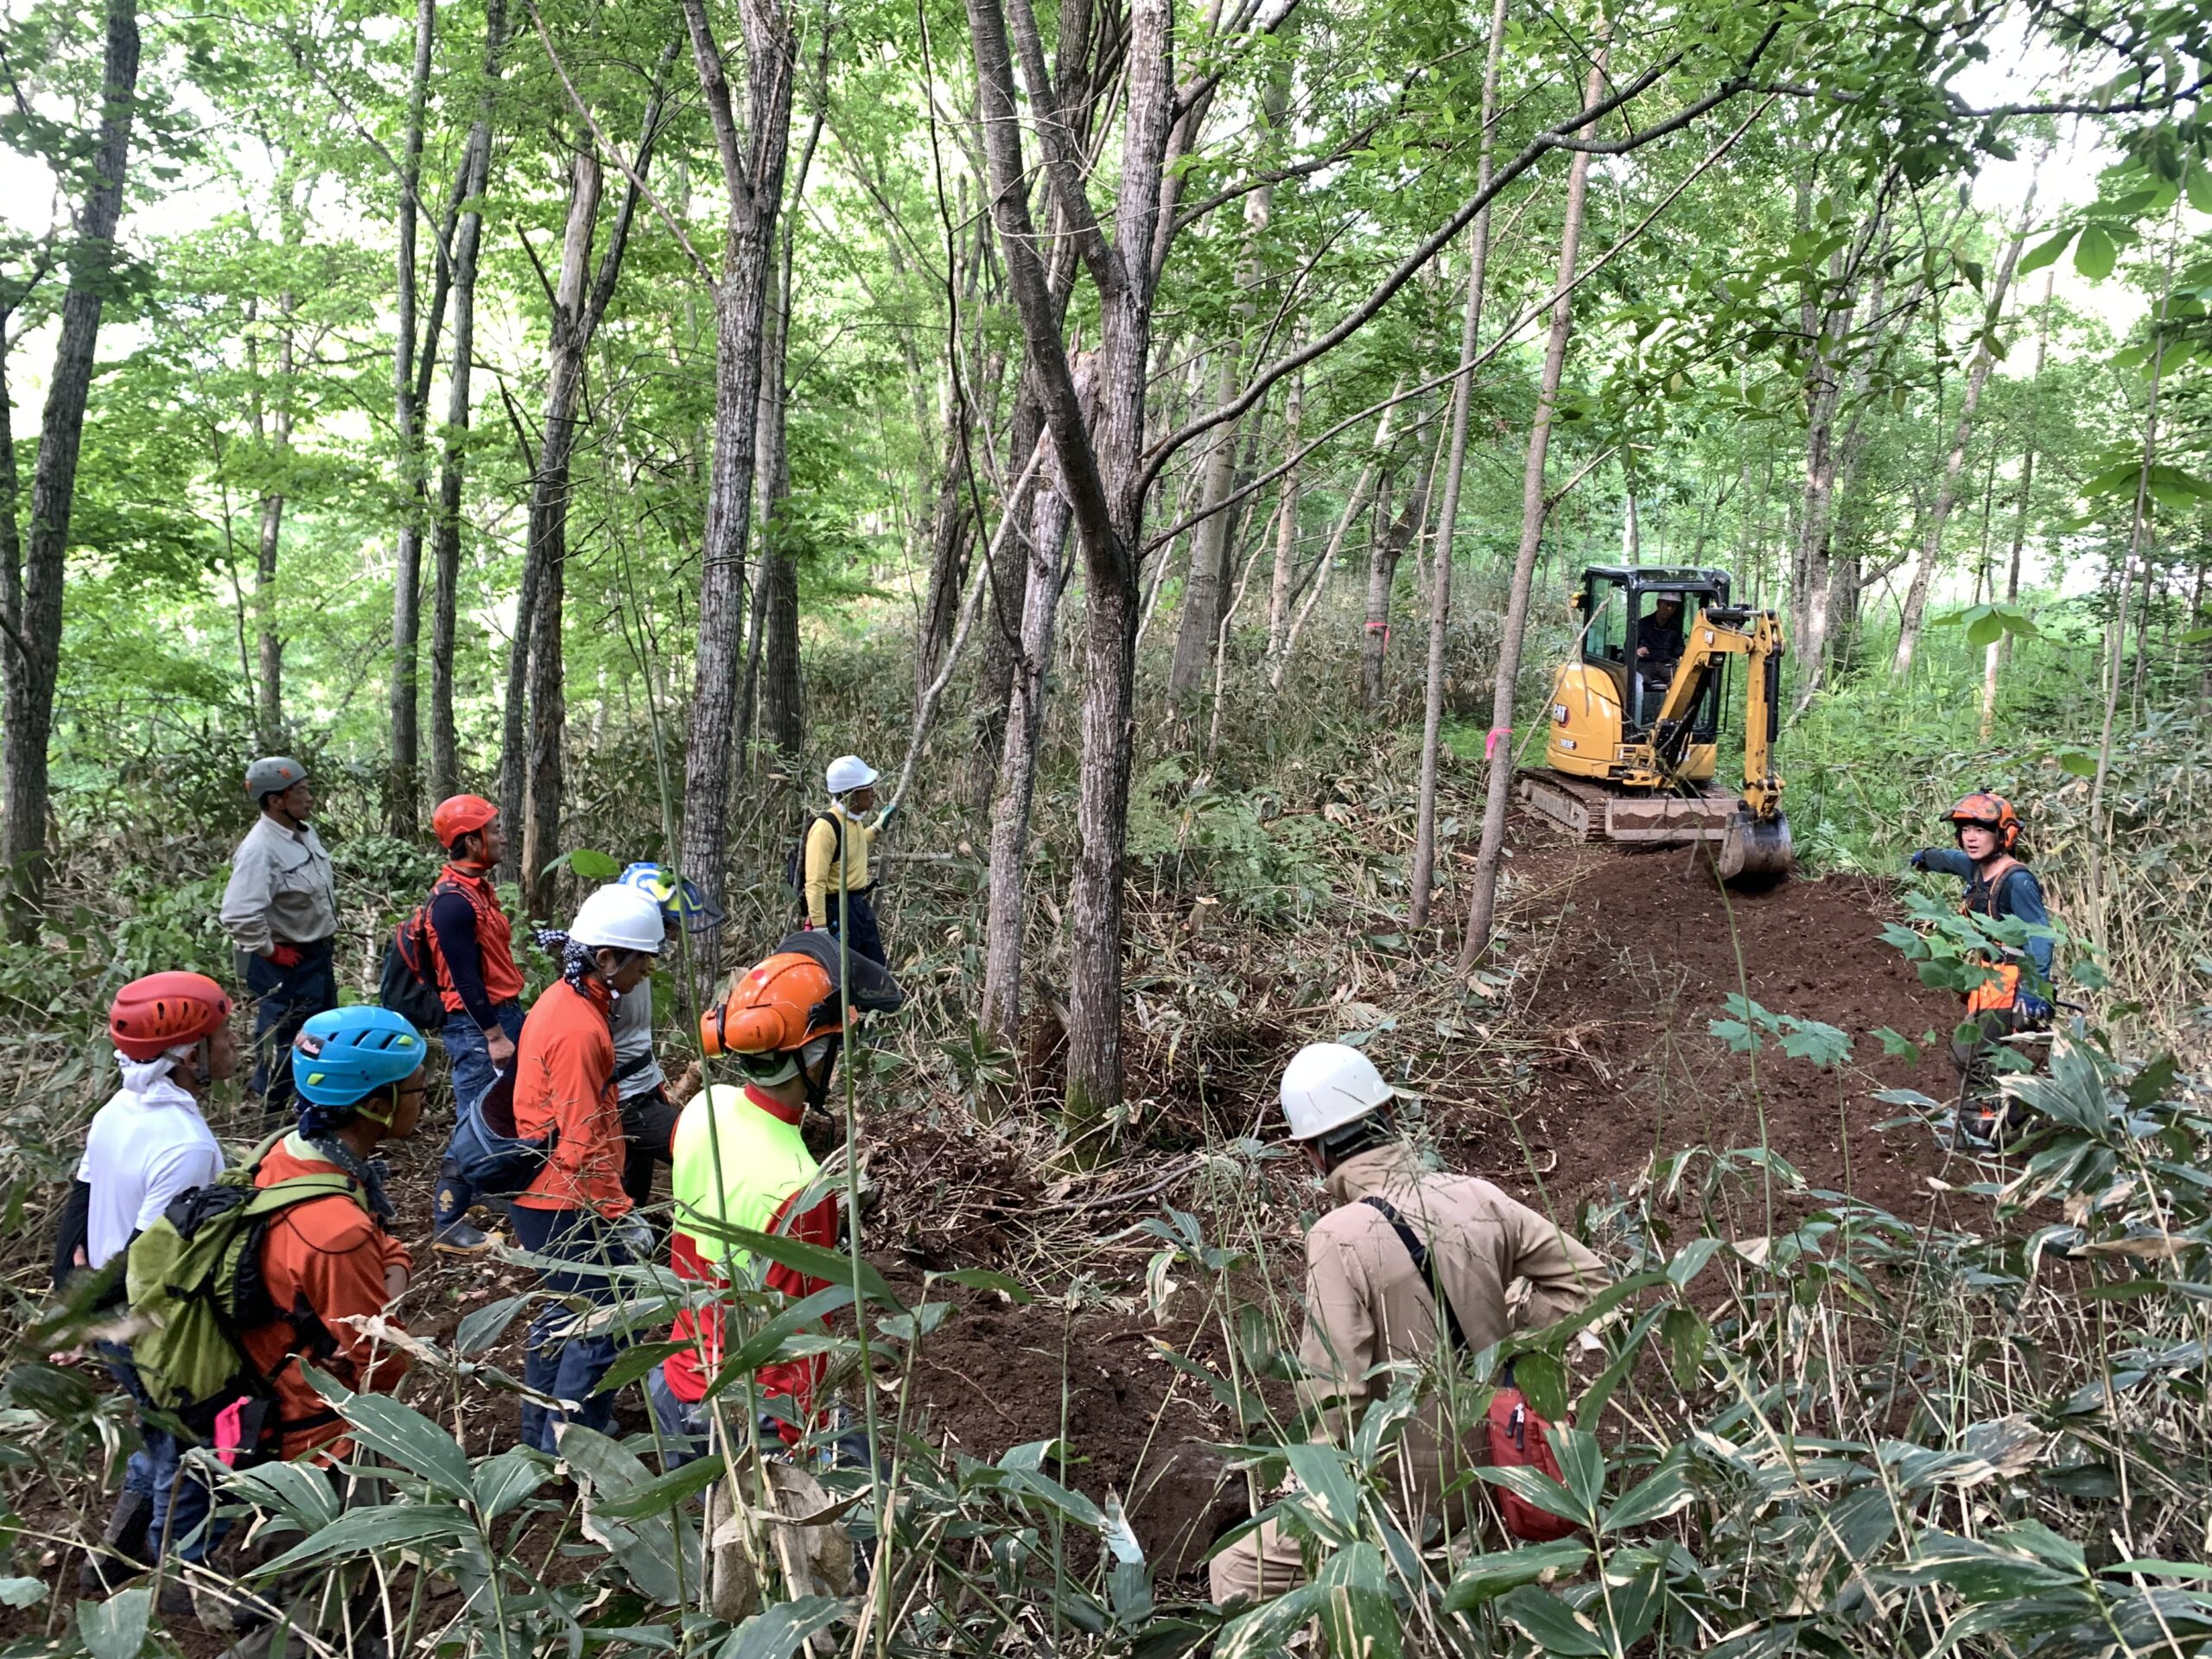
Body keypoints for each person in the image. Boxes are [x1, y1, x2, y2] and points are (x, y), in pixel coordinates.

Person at [1209, 1043, 1607, 1607]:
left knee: (1236, 1569)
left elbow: (1337, 1398)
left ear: (1311, 1155)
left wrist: (1309, 1491)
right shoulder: (1478, 1197)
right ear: (1391, 1116)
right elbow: (1590, 1284)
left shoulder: (1336, 1237)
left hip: (1406, 1498)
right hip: (1506, 1464)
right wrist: (1515, 1332)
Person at [205, 1004, 424, 1653]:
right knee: (321, 1609)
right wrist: (397, 1271)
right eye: (413, 1089)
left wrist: (386, 1256)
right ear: (375, 1105)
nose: (424, 1098)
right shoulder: (335, 1232)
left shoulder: (286, 1155)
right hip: (321, 1445)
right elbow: (380, 1362)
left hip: (270, 1409)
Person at [67, 973, 234, 1595]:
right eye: (225, 1036)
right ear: (190, 1055)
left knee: (153, 1430)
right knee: (187, 1455)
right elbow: (149, 1261)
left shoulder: (118, 1110)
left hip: (111, 1318)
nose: (235, 1047)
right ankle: (182, 1584)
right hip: (148, 1326)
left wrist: (74, 1308)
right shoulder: (185, 1145)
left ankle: (116, 1551)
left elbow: (78, 1206)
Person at [650, 950, 847, 1468]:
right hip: (748, 1411)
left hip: (678, 1376)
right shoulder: (803, 1187)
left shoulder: (701, 1108)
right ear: (814, 1056)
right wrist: (807, 1436)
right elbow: (800, 1333)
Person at [508, 884, 667, 1454]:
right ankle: (574, 1444)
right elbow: (582, 1142)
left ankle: (542, 1436)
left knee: (566, 1309)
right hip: (561, 1197)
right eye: (641, 959)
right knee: (608, 1318)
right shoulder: (579, 1028)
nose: (646, 970)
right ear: (606, 960)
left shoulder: (572, 1003)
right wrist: (622, 1214)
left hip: (547, 1191)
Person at [1910, 790, 2056, 1147]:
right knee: (1990, 1057)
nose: (1970, 837)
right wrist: (1926, 858)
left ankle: (1985, 1129)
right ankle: (2015, 1123)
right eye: (1965, 830)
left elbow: (2040, 935)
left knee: (1971, 1053)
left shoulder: (2016, 880)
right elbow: (1950, 860)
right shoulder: (1976, 867)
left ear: (2003, 834)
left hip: (2014, 983)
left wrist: (2036, 992)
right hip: (1987, 979)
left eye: (1980, 829)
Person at [425, 795, 528, 1254]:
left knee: (501, 1110)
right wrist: (493, 1035)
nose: (503, 836)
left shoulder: (477, 889)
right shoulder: (451, 904)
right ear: (471, 840)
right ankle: (447, 1220)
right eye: (495, 829)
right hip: (477, 1025)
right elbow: (465, 978)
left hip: (502, 1013)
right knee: (473, 1121)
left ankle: (487, 1191)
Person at [219, 757, 338, 1118]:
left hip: (315, 954)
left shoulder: (301, 832)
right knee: (284, 1039)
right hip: (287, 962)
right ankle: (275, 1111)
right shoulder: (260, 850)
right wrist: (271, 952)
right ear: (275, 800)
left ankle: (312, 1104)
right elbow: (238, 913)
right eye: (301, 792)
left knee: (319, 1034)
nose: (310, 798)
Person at [611, 862, 716, 1218]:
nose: (672, 936)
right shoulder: (608, 973)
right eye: (669, 925)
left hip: (643, 1085)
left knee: (635, 1177)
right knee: (698, 1149)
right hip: (623, 1099)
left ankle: (627, 1235)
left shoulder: (636, 966)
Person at [804, 754, 888, 967]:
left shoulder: (853, 821)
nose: (874, 794)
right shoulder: (826, 828)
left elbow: (851, 848)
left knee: (874, 969)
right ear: (850, 794)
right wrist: (821, 928)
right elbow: (814, 882)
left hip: (859, 907)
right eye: (868, 790)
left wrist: (877, 828)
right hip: (837, 911)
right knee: (844, 976)